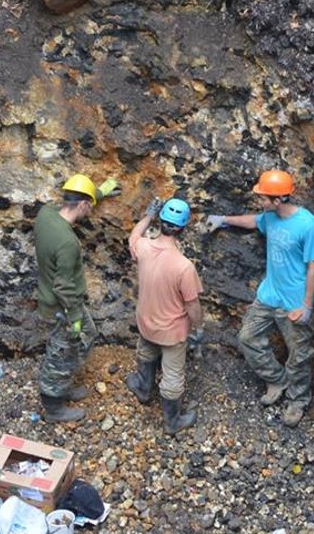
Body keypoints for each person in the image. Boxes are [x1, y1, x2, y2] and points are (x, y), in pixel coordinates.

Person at [205, 170, 314, 427]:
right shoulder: (271, 218)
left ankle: (298, 400)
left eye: (263, 198)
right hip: (269, 294)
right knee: (247, 337)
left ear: (278, 199)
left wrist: (306, 306)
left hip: (294, 301)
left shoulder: (308, 225)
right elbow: (253, 221)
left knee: (299, 354)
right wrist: (223, 219)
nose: (260, 201)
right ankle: (277, 380)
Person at [34, 173, 119, 422]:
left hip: (58, 299)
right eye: (89, 206)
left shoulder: (45, 215)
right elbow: (63, 286)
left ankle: (64, 381)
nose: (89, 211)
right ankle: (53, 407)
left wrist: (99, 192)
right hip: (61, 306)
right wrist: (74, 318)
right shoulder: (68, 243)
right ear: (82, 205)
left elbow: (77, 197)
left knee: (88, 335)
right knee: (60, 351)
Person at [125, 197, 204, 434]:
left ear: (160, 222)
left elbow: (133, 237)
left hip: (146, 321)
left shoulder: (144, 247)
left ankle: (143, 388)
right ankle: (172, 422)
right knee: (172, 375)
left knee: (146, 352)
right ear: (182, 228)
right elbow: (192, 305)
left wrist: (149, 214)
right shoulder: (184, 267)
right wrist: (198, 329)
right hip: (171, 331)